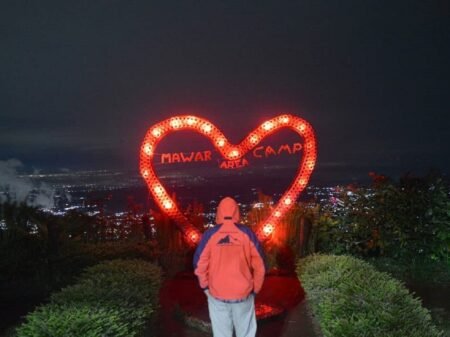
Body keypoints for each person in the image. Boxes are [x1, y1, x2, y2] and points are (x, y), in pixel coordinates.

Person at [193, 197, 266, 337]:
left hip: (217, 293)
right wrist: (255, 288)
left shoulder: (210, 234)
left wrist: (205, 287)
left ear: (219, 212)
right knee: (246, 333)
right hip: (243, 293)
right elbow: (260, 265)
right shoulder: (247, 234)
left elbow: (199, 264)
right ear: (236, 212)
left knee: (221, 334)